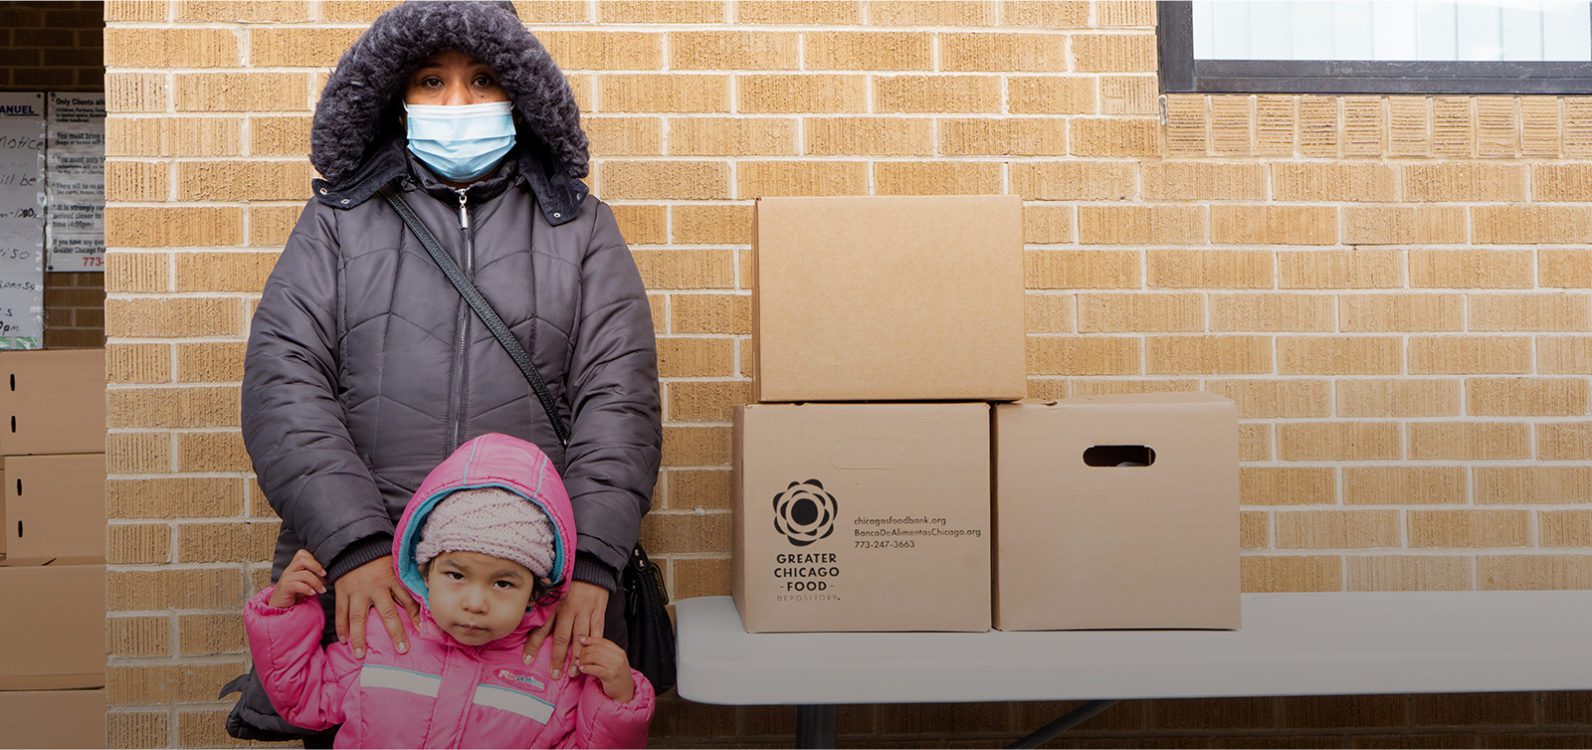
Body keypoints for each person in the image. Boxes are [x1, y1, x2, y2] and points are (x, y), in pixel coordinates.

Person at [224, 0, 662, 742]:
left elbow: (619, 401)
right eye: (431, 80)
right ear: (397, 95)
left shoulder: (580, 225)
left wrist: (588, 562)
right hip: (378, 588)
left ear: (519, 94)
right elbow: (284, 384)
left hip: (532, 591)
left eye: (483, 79)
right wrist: (355, 546)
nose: (456, 102)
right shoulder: (337, 220)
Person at [245, 433, 654, 748]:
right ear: (424, 570)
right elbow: (302, 701)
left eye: (503, 583)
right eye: (456, 576)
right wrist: (285, 617)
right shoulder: (384, 638)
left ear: (536, 591)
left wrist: (618, 700)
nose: (475, 603)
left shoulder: (556, 671)